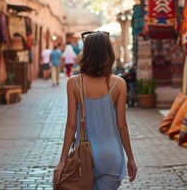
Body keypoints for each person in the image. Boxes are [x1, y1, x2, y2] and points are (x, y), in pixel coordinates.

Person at [53, 31, 137, 189]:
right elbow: (122, 126)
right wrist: (130, 158)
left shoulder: (74, 84)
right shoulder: (119, 84)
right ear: (108, 54)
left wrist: (62, 160)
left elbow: (71, 125)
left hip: (84, 158)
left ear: (86, 53)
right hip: (111, 157)